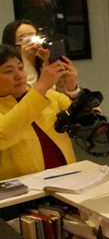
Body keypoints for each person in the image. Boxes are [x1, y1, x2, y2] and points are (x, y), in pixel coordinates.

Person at [0, 44, 78, 179]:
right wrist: (42, 85)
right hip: (23, 193)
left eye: (20, 67)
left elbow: (90, 119)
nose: (19, 76)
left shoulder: (49, 95)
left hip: (69, 181)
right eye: (9, 71)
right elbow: (4, 136)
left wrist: (72, 88)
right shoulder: (40, 93)